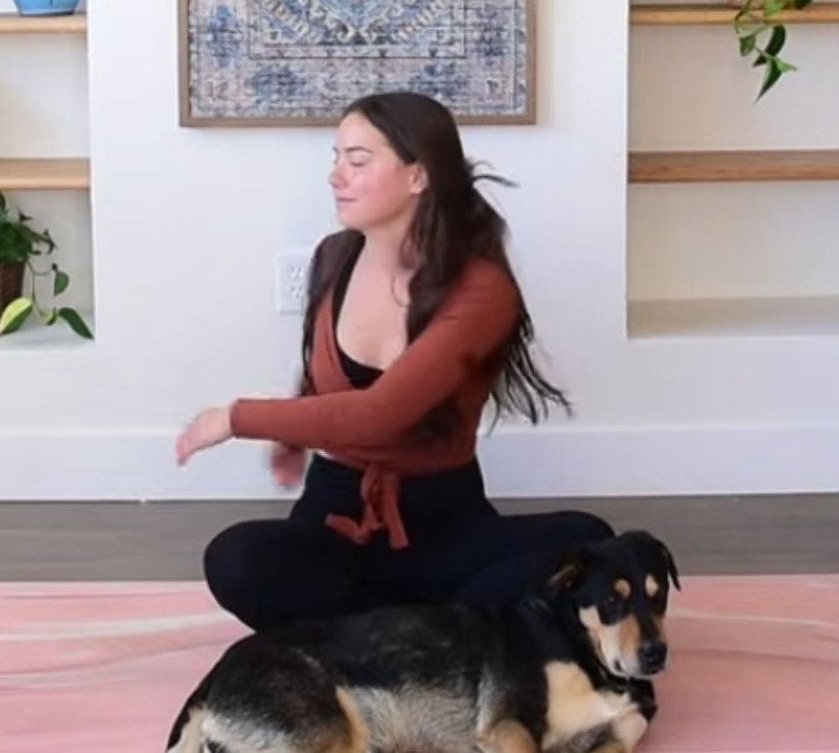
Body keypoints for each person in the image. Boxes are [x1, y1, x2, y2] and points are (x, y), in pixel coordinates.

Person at [174, 91, 612, 633]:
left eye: (358, 161)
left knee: (592, 541)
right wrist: (292, 432)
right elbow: (322, 376)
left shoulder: (482, 289)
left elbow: (379, 414)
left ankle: (375, 636)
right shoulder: (333, 258)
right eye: (336, 158)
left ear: (418, 176)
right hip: (337, 519)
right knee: (236, 558)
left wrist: (234, 418)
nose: (336, 176)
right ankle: (431, 635)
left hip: (447, 530)